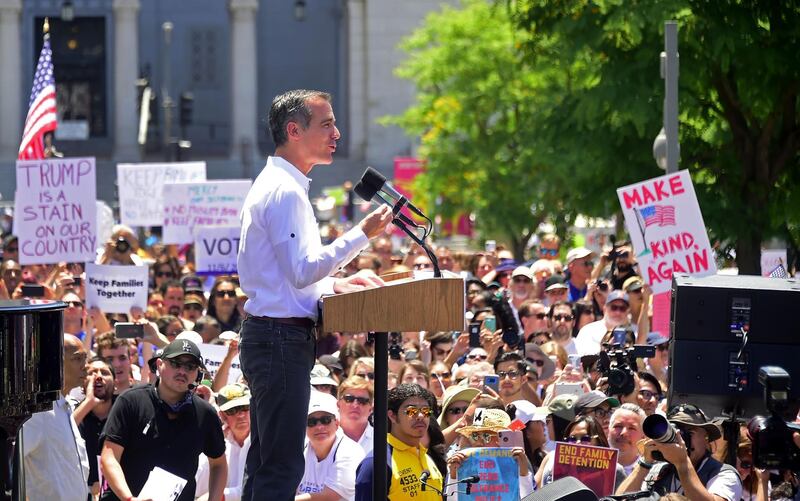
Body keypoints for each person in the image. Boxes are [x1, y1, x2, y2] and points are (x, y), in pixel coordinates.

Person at [236, 89, 393, 501]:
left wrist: (337, 285)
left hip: (274, 338)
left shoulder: (283, 185)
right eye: (326, 124)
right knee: (281, 466)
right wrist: (362, 234)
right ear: (293, 130)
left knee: (266, 464)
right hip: (278, 340)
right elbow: (302, 270)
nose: (337, 133)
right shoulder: (285, 191)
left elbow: (292, 277)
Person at [99, 339, 227, 501]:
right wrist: (129, 499)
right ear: (159, 364)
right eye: (175, 363)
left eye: (190, 366)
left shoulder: (205, 413)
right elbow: (109, 457)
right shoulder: (131, 401)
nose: (182, 371)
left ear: (197, 373)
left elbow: (219, 464)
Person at [616, 404, 742, 501]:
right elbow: (620, 499)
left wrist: (682, 463)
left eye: (689, 432)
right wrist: (645, 463)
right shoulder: (658, 470)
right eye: (676, 432)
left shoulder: (724, 474)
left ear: (706, 438)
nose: (680, 439)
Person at [22, 334, 90, 501]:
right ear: (56, 362)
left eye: (85, 358)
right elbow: (10, 462)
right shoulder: (38, 411)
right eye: (77, 359)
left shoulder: (63, 406)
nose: (85, 366)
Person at [355, 384, 444, 500]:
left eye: (426, 411)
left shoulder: (427, 458)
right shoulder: (376, 463)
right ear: (392, 416)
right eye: (411, 411)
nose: (421, 416)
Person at [445, 408, 535, 498]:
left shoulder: (519, 462)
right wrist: (453, 476)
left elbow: (529, 498)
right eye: (475, 436)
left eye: (486, 436)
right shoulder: (464, 464)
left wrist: (524, 474)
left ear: (504, 438)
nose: (478, 443)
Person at [297, 391, 366, 500]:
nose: (319, 427)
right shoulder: (299, 448)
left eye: (326, 420)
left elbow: (329, 497)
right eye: (311, 421)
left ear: (337, 422)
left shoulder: (351, 451)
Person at [196, 383, 252, 500]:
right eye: (233, 410)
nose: (241, 414)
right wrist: (216, 442)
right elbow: (197, 484)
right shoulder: (222, 441)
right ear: (222, 416)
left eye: (245, 407)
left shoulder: (264, 441)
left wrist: (223, 496)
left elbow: (258, 488)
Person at [75, 357, 116, 497]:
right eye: (92, 372)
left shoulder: (126, 409)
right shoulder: (73, 412)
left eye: (104, 372)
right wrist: (89, 402)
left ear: (115, 383)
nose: (98, 376)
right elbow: (61, 436)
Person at [337, 376, 375, 455]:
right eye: (349, 399)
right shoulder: (325, 437)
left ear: (371, 408)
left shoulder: (382, 440)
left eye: (362, 401)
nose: (355, 405)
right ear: (338, 404)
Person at [608, 403, 646, 475]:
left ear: (643, 436)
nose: (623, 433)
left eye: (631, 428)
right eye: (618, 426)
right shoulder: (593, 464)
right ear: (608, 429)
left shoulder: (650, 471)